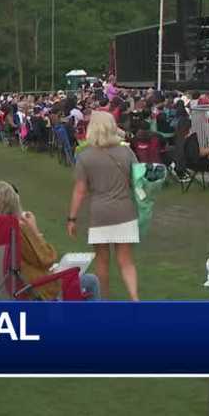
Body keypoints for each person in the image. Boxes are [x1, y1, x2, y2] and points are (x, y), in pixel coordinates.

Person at [0, 181, 100, 300]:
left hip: (2, 290)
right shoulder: (15, 230)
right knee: (91, 281)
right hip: (33, 293)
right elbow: (47, 258)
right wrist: (34, 231)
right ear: (13, 204)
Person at [68, 111, 140, 300]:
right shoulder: (127, 152)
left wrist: (72, 218)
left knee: (102, 261)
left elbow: (80, 190)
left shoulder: (85, 156)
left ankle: (104, 300)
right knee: (126, 260)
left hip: (100, 212)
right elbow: (138, 180)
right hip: (124, 210)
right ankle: (134, 298)